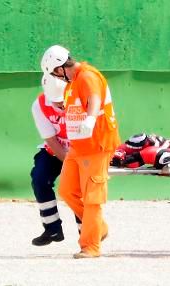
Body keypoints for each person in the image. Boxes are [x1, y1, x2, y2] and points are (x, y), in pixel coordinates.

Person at [40, 45, 121, 259]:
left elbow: (95, 98)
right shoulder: (72, 84)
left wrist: (91, 118)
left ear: (60, 67)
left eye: (55, 72)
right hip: (78, 146)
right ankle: (99, 227)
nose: (57, 77)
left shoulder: (87, 76)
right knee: (67, 190)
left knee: (92, 197)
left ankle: (90, 246)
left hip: (96, 145)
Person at [30, 74, 78, 246]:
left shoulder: (79, 101)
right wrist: (68, 165)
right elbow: (51, 140)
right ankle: (52, 228)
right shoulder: (39, 105)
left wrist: (77, 166)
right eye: (56, 100)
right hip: (54, 151)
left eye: (62, 99)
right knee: (39, 179)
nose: (60, 104)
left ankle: (86, 232)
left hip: (80, 152)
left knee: (79, 187)